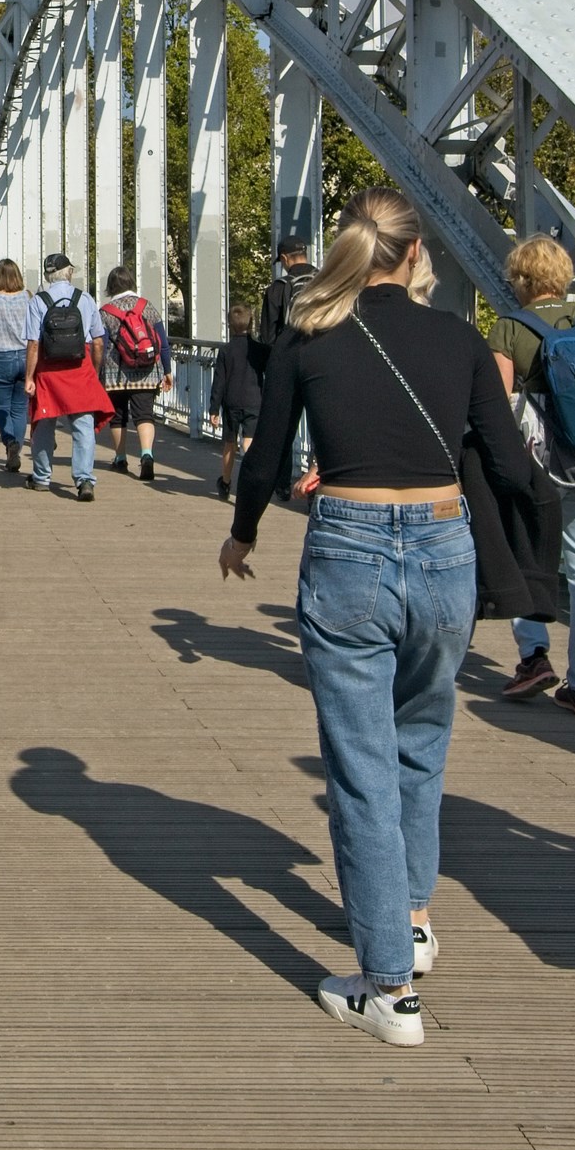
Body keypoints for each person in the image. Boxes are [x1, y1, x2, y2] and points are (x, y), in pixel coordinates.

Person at [219, 188, 537, 1048]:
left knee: (359, 765)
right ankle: (417, 918)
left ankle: (389, 986)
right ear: (414, 255)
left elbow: (267, 455)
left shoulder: (307, 339)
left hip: (349, 544)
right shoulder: (459, 340)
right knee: (421, 744)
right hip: (444, 545)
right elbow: (508, 463)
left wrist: (241, 535)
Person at [490, 235, 575, 721]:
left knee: (530, 559)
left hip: (537, 464)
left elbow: (496, 405)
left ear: (521, 280)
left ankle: (534, 658)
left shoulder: (509, 328)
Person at [23, 254, 112, 501]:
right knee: (83, 424)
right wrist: (94, 372)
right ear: (69, 272)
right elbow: (97, 341)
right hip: (79, 365)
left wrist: (29, 377)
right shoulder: (85, 299)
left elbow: (33, 343)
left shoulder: (38, 301)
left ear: (47, 275)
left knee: (44, 421)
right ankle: (84, 479)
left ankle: (41, 477)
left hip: (48, 367)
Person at [98, 265, 174, 480]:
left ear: (110, 286)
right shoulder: (146, 306)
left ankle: (120, 458)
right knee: (145, 415)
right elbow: (163, 343)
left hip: (116, 375)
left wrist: (97, 374)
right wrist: (167, 371)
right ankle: (147, 455)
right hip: (147, 372)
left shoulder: (106, 311)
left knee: (118, 417)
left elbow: (101, 347)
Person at [253, 235, 316, 487]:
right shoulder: (326, 282)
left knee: (284, 427)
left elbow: (267, 337)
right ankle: (317, 482)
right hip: (323, 361)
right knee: (319, 425)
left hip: (288, 364)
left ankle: (281, 484)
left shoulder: (278, 288)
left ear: (286, 259)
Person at [0, 258, 36, 471]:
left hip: (1, 357)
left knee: (1, 407)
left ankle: (9, 441)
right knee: (20, 409)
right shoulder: (28, 297)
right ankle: (16, 450)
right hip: (24, 356)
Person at [212, 303, 264, 497]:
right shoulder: (259, 349)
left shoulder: (226, 350)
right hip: (254, 400)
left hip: (231, 402)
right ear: (250, 324)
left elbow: (219, 382)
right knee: (248, 443)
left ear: (229, 325)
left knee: (229, 443)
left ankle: (225, 482)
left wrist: (213, 409)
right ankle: (250, 482)